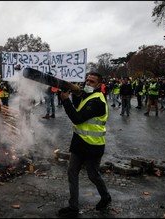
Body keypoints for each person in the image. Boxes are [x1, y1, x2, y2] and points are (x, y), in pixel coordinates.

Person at [58, 72, 111, 217]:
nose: (87, 83)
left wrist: (65, 101)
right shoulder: (87, 96)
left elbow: (77, 118)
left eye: (92, 82)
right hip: (79, 143)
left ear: (99, 85)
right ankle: (73, 206)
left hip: (93, 145)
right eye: (87, 80)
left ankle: (105, 197)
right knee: (72, 172)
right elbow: (78, 105)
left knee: (93, 175)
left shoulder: (97, 101)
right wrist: (72, 94)